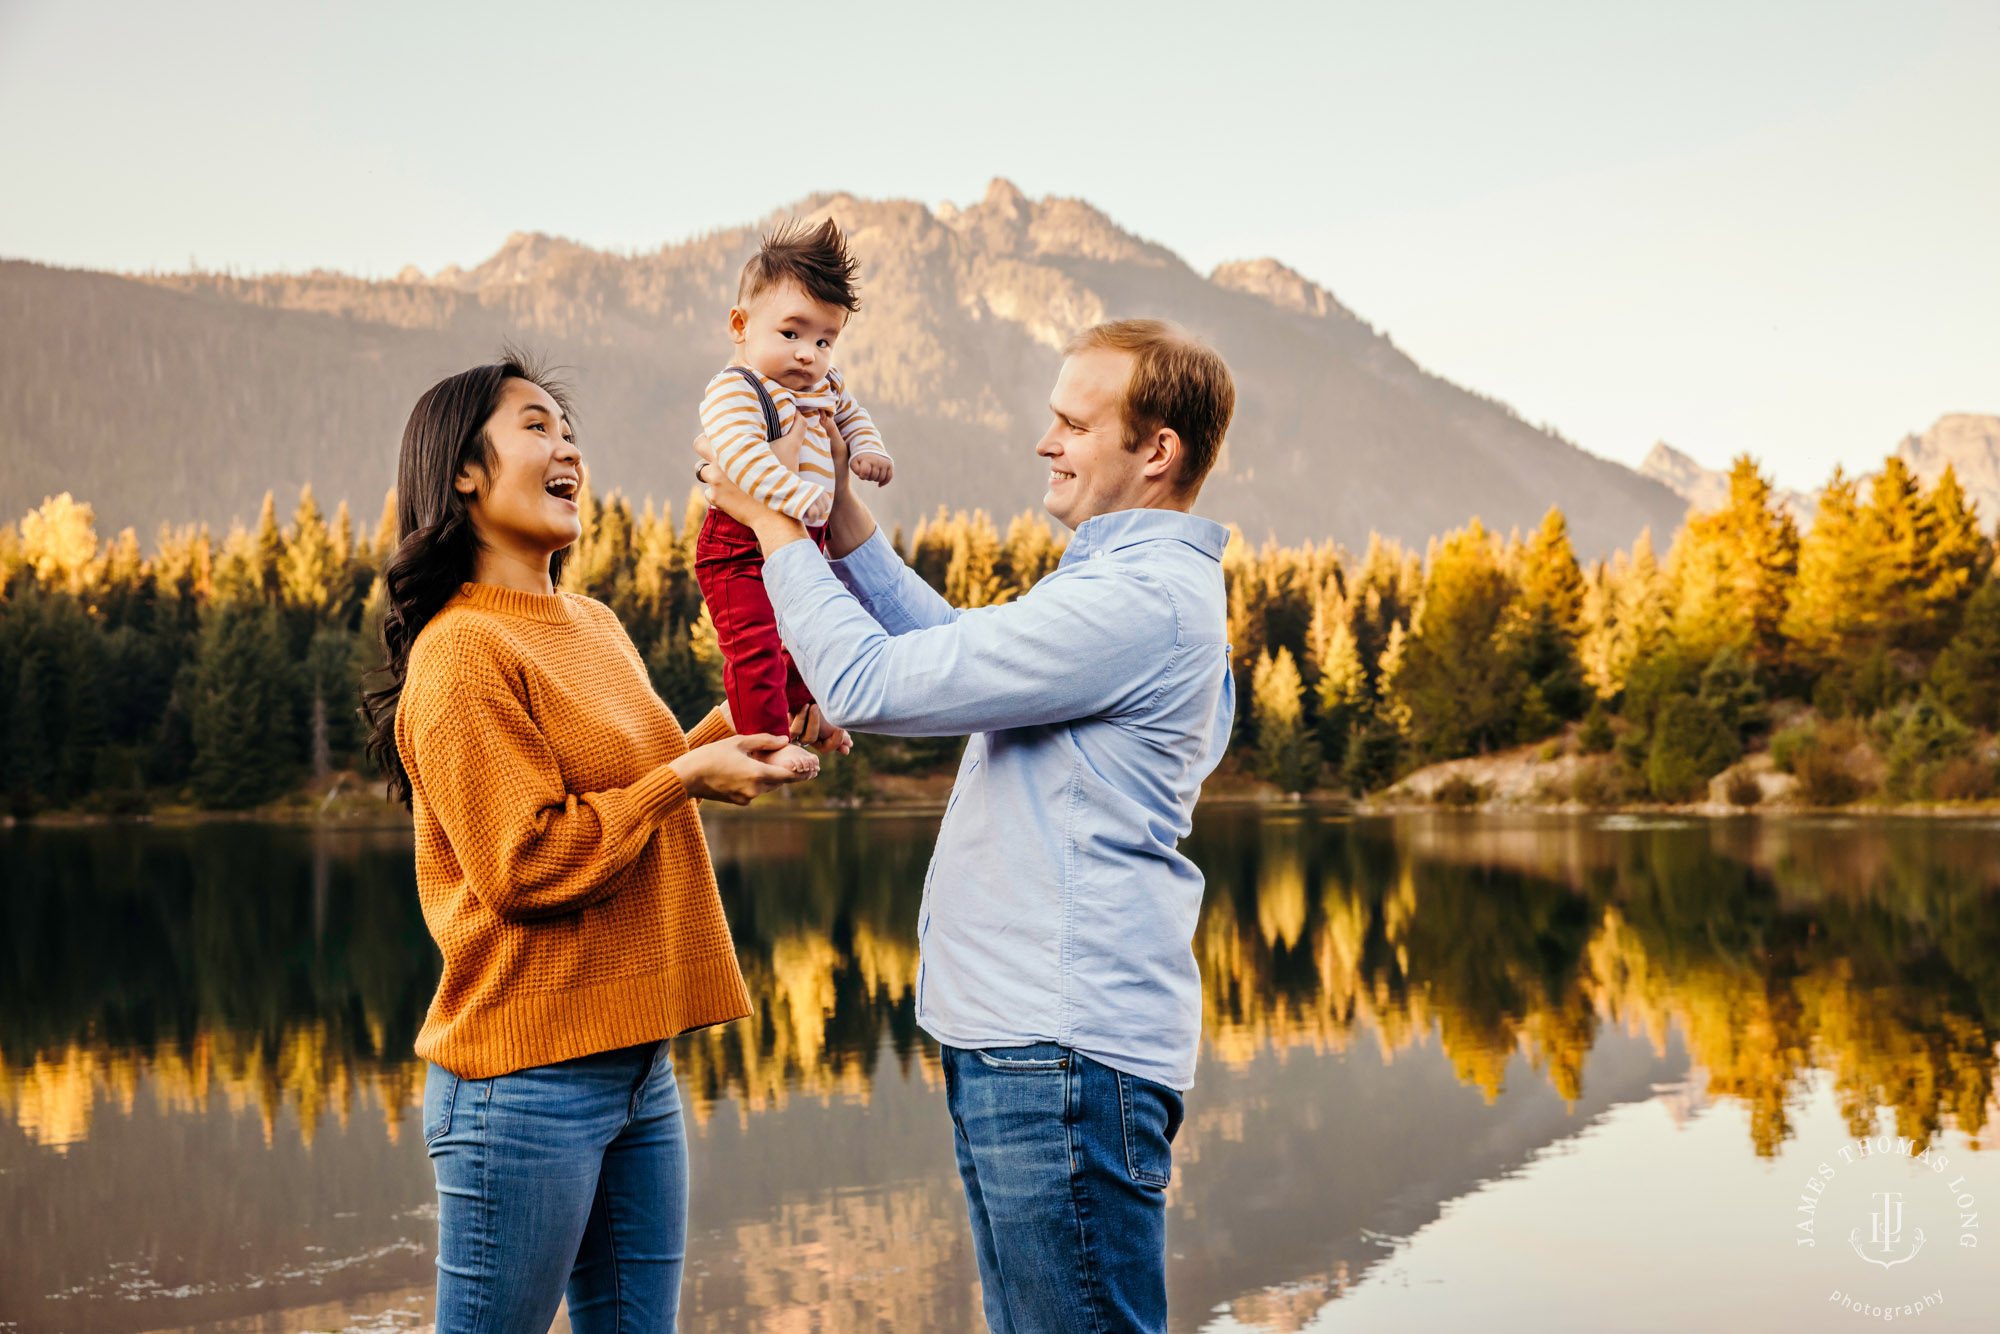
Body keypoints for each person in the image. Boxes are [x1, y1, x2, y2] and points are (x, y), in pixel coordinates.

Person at [696, 319, 1237, 1334]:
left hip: (1060, 1053)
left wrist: (773, 525)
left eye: (1074, 423)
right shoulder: (1122, 586)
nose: (1047, 442)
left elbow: (867, 681)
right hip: (1033, 1045)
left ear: (1155, 450)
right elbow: (953, 649)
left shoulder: (1137, 600)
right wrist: (842, 514)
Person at [360, 351, 814, 1334]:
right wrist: (686, 776)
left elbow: (633, 782)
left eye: (566, 428)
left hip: (636, 1069)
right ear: (465, 474)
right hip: (522, 1086)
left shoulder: (592, 623)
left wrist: (753, 731)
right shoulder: (459, 652)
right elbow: (527, 862)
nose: (567, 443)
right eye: (534, 424)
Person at [695, 218, 891, 771]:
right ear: (741, 325)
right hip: (737, 550)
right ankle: (766, 745)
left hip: (801, 538)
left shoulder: (823, 386)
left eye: (824, 339)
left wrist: (868, 451)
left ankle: (813, 715)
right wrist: (793, 496)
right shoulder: (737, 388)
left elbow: (853, 417)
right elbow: (738, 458)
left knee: (807, 636)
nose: (808, 353)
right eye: (791, 334)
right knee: (756, 646)